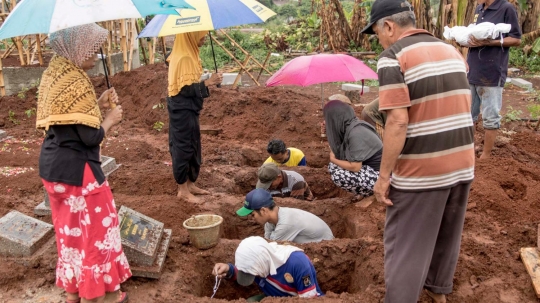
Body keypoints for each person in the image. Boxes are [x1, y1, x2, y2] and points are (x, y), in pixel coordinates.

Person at [362, 0, 475, 302]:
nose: (380, 41)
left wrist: (384, 177)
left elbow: (397, 121)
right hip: (462, 163)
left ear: (388, 26)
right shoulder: (452, 52)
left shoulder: (393, 57)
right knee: (445, 238)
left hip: (422, 172)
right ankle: (438, 295)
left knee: (405, 247)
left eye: (377, 33)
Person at [36, 23, 130, 303]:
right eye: (90, 48)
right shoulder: (77, 81)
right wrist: (109, 121)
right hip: (80, 173)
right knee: (99, 230)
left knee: (71, 234)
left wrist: (97, 103)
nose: (94, 54)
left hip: (54, 169)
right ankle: (98, 296)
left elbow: (69, 121)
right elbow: (90, 136)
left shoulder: (55, 74)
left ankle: (73, 291)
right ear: (75, 47)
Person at [167, 31, 223, 203]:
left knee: (193, 145)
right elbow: (184, 89)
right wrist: (208, 82)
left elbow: (189, 82)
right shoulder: (184, 58)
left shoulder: (190, 54)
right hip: (182, 111)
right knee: (183, 147)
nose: (204, 37)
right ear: (191, 35)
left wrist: (208, 80)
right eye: (201, 34)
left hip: (188, 110)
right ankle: (182, 190)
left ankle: (190, 184)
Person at [463, 0, 522, 159]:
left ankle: (486, 154)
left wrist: (491, 43)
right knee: (469, 114)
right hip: (473, 70)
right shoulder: (479, 9)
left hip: (492, 71)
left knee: (490, 115)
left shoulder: (506, 8)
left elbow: (516, 39)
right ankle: (470, 148)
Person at [212, 236, 323, 301]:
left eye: (254, 274)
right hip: (274, 297)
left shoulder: (297, 263)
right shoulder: (259, 263)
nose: (254, 276)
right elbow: (246, 272)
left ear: (262, 264)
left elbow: (308, 300)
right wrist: (228, 270)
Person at [324, 100, 382, 197]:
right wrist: (329, 133)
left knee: (339, 175)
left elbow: (355, 167)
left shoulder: (355, 133)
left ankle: (371, 193)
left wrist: (333, 159)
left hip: (383, 177)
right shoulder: (352, 127)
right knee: (334, 167)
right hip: (373, 171)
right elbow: (340, 152)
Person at [236, 189, 334, 243]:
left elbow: (271, 248)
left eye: (252, 215)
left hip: (325, 246)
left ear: (263, 210)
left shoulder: (286, 223)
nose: (252, 219)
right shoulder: (270, 221)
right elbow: (267, 241)